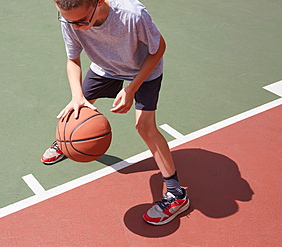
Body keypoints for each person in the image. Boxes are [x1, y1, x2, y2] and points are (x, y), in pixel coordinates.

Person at [41, 0, 190, 225]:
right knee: (77, 109)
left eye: (82, 21)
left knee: (144, 127)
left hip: (143, 70)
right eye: (70, 21)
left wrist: (132, 88)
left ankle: (176, 195)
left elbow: (158, 48)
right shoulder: (71, 18)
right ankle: (67, 139)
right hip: (105, 67)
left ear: (98, 2)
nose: (77, 27)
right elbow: (73, 59)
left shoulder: (132, 14)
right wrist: (77, 97)